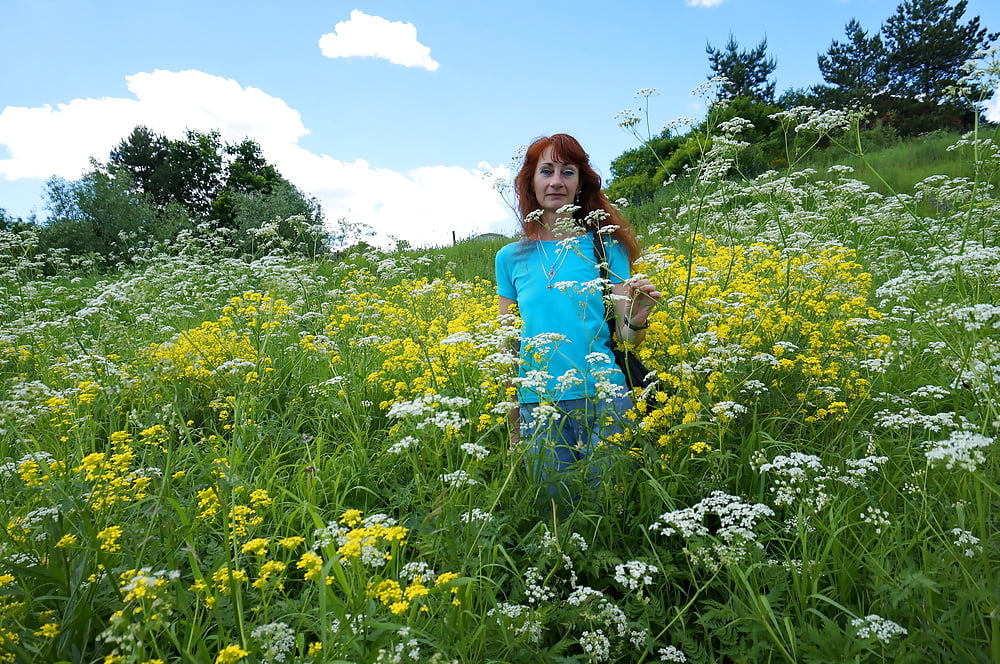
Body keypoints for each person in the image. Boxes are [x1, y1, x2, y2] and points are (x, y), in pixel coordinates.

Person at [495, 133, 661, 504]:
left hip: (606, 397)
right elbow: (508, 347)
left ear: (579, 184)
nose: (556, 181)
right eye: (547, 171)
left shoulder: (606, 246)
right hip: (538, 402)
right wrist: (513, 418)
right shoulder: (509, 258)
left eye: (567, 172)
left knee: (611, 509)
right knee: (556, 513)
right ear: (531, 182)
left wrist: (637, 317)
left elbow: (627, 337)